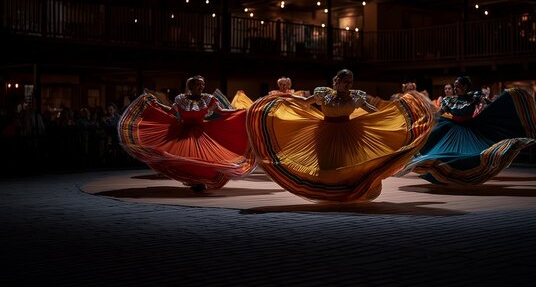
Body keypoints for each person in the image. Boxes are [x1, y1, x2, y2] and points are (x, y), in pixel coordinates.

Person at [245, 68, 436, 202]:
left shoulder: (355, 96)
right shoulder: (324, 94)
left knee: (345, 166)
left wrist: (389, 115)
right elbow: (304, 103)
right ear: (336, 81)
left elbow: (370, 109)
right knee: (326, 165)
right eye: (345, 82)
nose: (348, 85)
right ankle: (327, 194)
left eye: (350, 82)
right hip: (324, 132)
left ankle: (346, 194)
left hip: (349, 133)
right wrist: (283, 98)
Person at [118, 75, 256, 192]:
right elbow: (172, 112)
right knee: (185, 158)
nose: (201, 87)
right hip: (182, 132)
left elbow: (220, 112)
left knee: (203, 159)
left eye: (203, 85)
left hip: (201, 132)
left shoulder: (208, 99)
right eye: (198, 85)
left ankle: (200, 181)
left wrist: (241, 112)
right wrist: (157, 106)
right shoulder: (180, 99)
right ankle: (194, 181)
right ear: (191, 86)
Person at [399, 75, 536, 186]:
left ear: (466, 86)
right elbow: (439, 113)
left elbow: (488, 105)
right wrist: (426, 119)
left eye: (458, 86)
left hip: (471, 129)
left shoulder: (474, 97)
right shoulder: (449, 100)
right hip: (451, 129)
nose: (455, 88)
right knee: (436, 151)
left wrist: (499, 102)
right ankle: (440, 174)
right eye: (454, 86)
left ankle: (459, 177)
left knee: (471, 155)